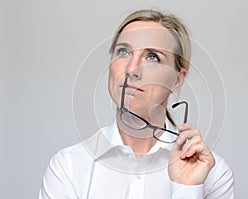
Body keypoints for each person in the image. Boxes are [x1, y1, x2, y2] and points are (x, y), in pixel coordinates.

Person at [39, 9, 234, 199]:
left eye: (152, 57)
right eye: (123, 51)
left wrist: (186, 189)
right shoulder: (68, 166)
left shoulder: (213, 175)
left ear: (177, 79)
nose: (132, 69)